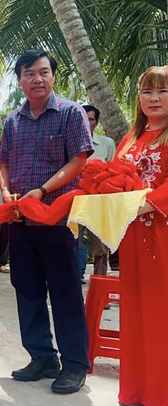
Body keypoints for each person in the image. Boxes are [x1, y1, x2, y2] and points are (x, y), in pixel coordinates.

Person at [0, 50, 92, 394]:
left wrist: (42, 190)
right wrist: (7, 192)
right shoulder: (12, 120)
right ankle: (41, 356)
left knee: (65, 292)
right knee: (27, 290)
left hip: (59, 220)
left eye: (43, 72)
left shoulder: (70, 113)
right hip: (20, 221)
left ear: (53, 76)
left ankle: (75, 364)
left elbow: (79, 160)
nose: (36, 79)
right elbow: (3, 163)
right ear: (20, 80)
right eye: (29, 73)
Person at [115, 65, 168, 406]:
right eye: (147, 91)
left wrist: (146, 205)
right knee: (135, 312)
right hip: (132, 235)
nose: (154, 98)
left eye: (162, 91)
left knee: (160, 313)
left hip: (162, 231)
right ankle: (136, 390)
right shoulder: (130, 138)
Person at [82, 104, 116, 276]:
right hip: (73, 200)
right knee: (70, 244)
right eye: (84, 118)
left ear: (96, 122)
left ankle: (100, 285)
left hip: (98, 202)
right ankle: (72, 286)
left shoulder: (106, 143)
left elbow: (114, 172)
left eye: (91, 119)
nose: (87, 122)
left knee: (100, 248)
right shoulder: (67, 142)